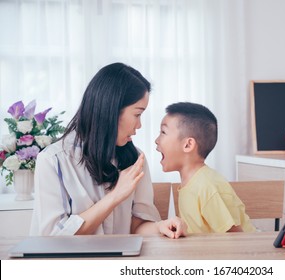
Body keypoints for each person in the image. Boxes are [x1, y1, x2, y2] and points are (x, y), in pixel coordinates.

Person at [30, 62, 186, 238]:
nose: (140, 125)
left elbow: (138, 225)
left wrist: (161, 226)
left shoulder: (135, 158)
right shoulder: (53, 160)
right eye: (137, 114)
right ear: (112, 110)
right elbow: (54, 237)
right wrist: (116, 196)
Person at [155, 102, 256, 233]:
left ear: (188, 145)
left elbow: (235, 238)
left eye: (163, 132)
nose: (156, 140)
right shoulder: (191, 183)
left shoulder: (206, 186)